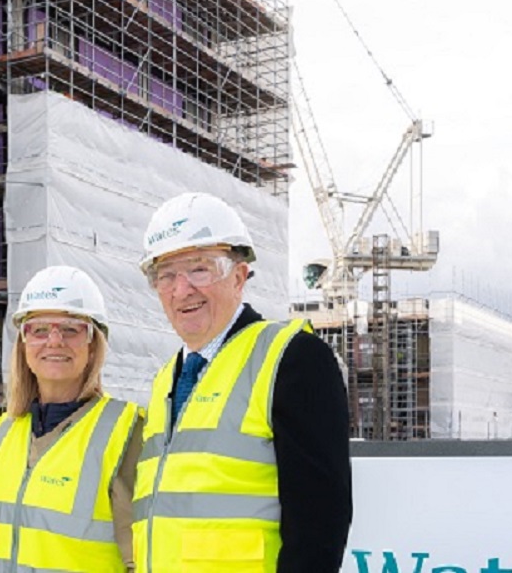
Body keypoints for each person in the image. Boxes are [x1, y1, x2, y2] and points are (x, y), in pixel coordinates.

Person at [131, 192, 352, 572]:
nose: (181, 290)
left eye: (200, 269)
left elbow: (319, 529)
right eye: (166, 275)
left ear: (239, 276)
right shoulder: (166, 378)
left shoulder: (292, 358)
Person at [0, 266, 144, 572]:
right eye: (39, 329)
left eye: (70, 328)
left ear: (93, 344)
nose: (54, 341)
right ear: (24, 343)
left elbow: (144, 558)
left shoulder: (125, 431)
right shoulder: (1, 435)